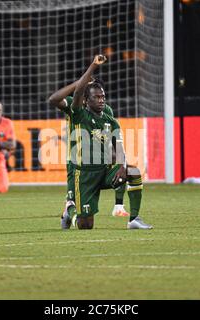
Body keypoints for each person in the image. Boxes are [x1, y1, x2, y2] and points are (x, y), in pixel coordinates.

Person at [59, 55, 152, 230]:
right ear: (86, 100)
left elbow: (118, 148)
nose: (101, 100)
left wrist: (122, 166)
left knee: (133, 170)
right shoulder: (78, 111)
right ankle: (71, 211)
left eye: (103, 97)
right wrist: (92, 67)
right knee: (85, 225)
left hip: (103, 170)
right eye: (97, 97)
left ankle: (133, 219)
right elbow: (66, 96)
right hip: (81, 171)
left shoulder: (110, 119)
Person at [49, 78, 130, 218]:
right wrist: (79, 83)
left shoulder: (107, 111)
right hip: (74, 160)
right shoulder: (74, 103)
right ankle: (69, 213)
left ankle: (118, 206)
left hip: (97, 161)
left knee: (125, 170)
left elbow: (107, 133)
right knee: (71, 199)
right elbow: (55, 99)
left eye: (101, 95)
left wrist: (111, 152)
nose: (100, 99)